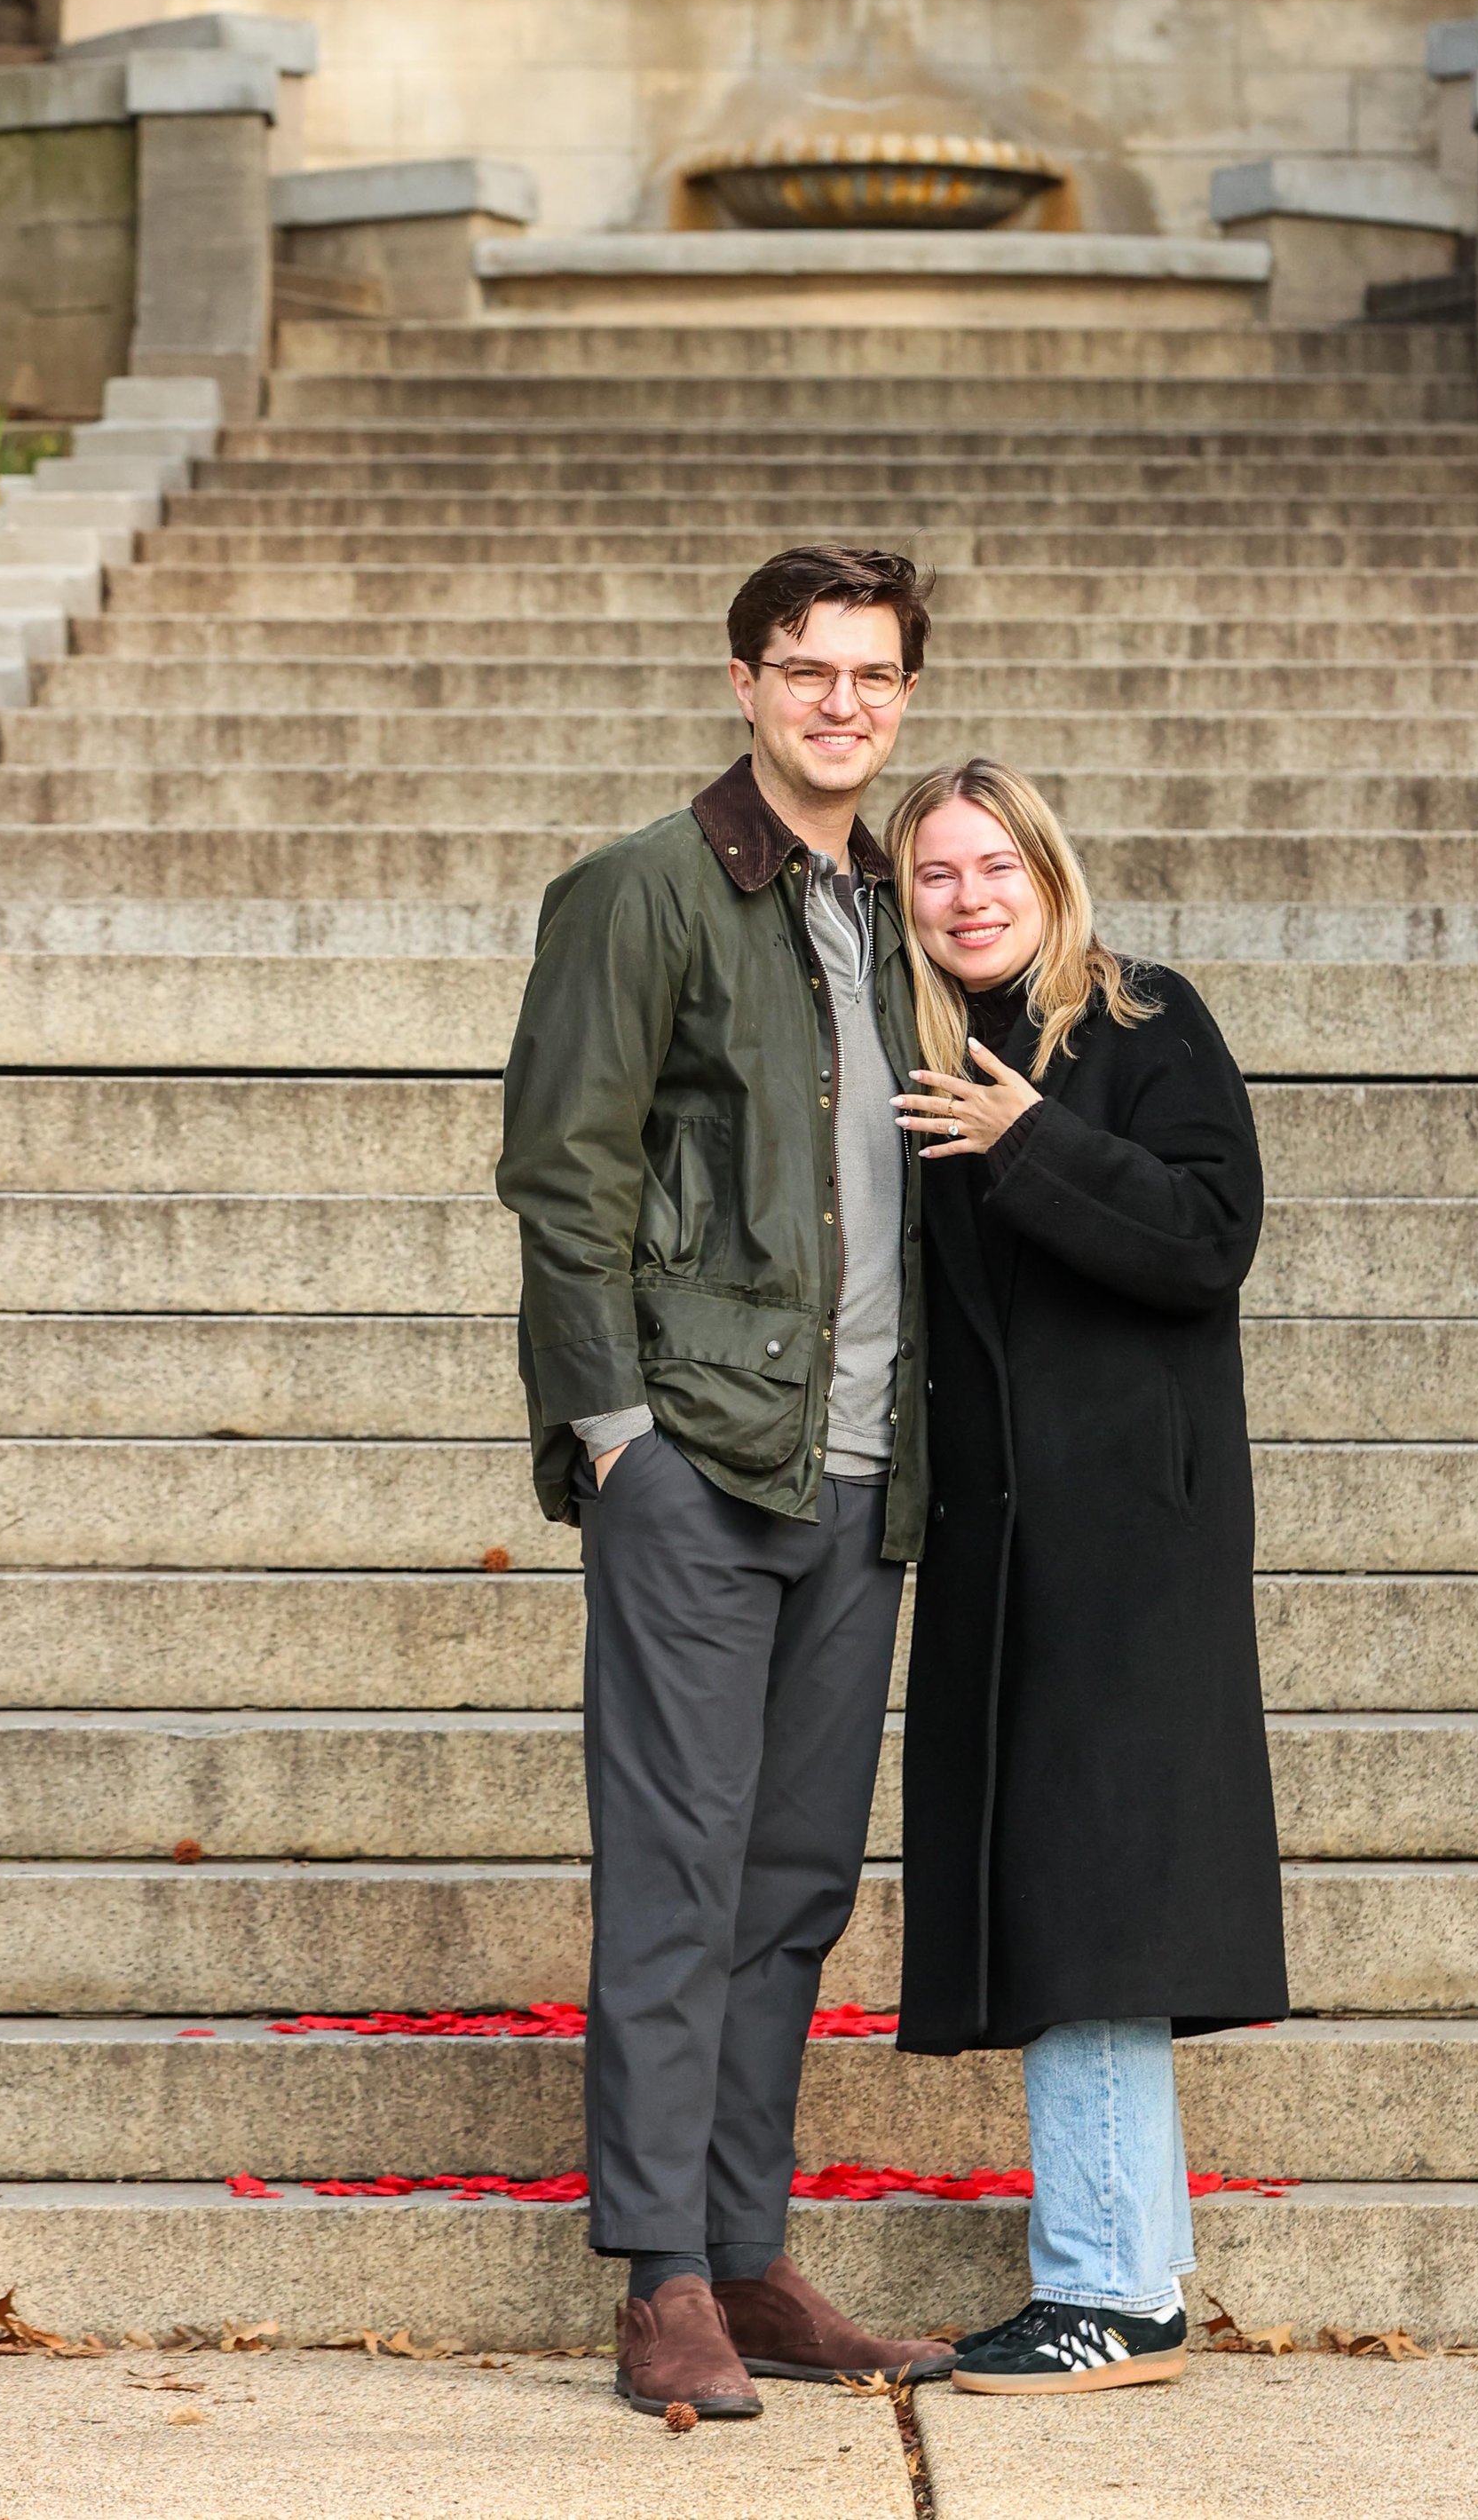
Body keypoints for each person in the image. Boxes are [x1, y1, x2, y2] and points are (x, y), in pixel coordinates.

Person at [495, 544, 957, 2421]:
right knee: (680, 1876)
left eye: (872, 674)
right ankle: (661, 2278)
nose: (840, 702)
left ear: (904, 696)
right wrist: (615, 1441)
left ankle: (751, 2249)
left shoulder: (896, 902)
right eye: (805, 669)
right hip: (695, 1458)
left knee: (791, 1886)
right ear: (744, 685)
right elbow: (564, 1175)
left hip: (860, 1474)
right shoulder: (643, 890)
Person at [885, 755, 1286, 2396]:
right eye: (934, 875)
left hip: (1129, 1547)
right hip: (1004, 1548)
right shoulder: (923, 1056)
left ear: (1049, 873)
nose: (970, 895)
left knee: (1101, 1905)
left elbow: (1209, 1236)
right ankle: (1125, 2274)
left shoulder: (1141, 1021)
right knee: (1064, 1897)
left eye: (996, 865)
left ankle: (1110, 2293)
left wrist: (1029, 1134)